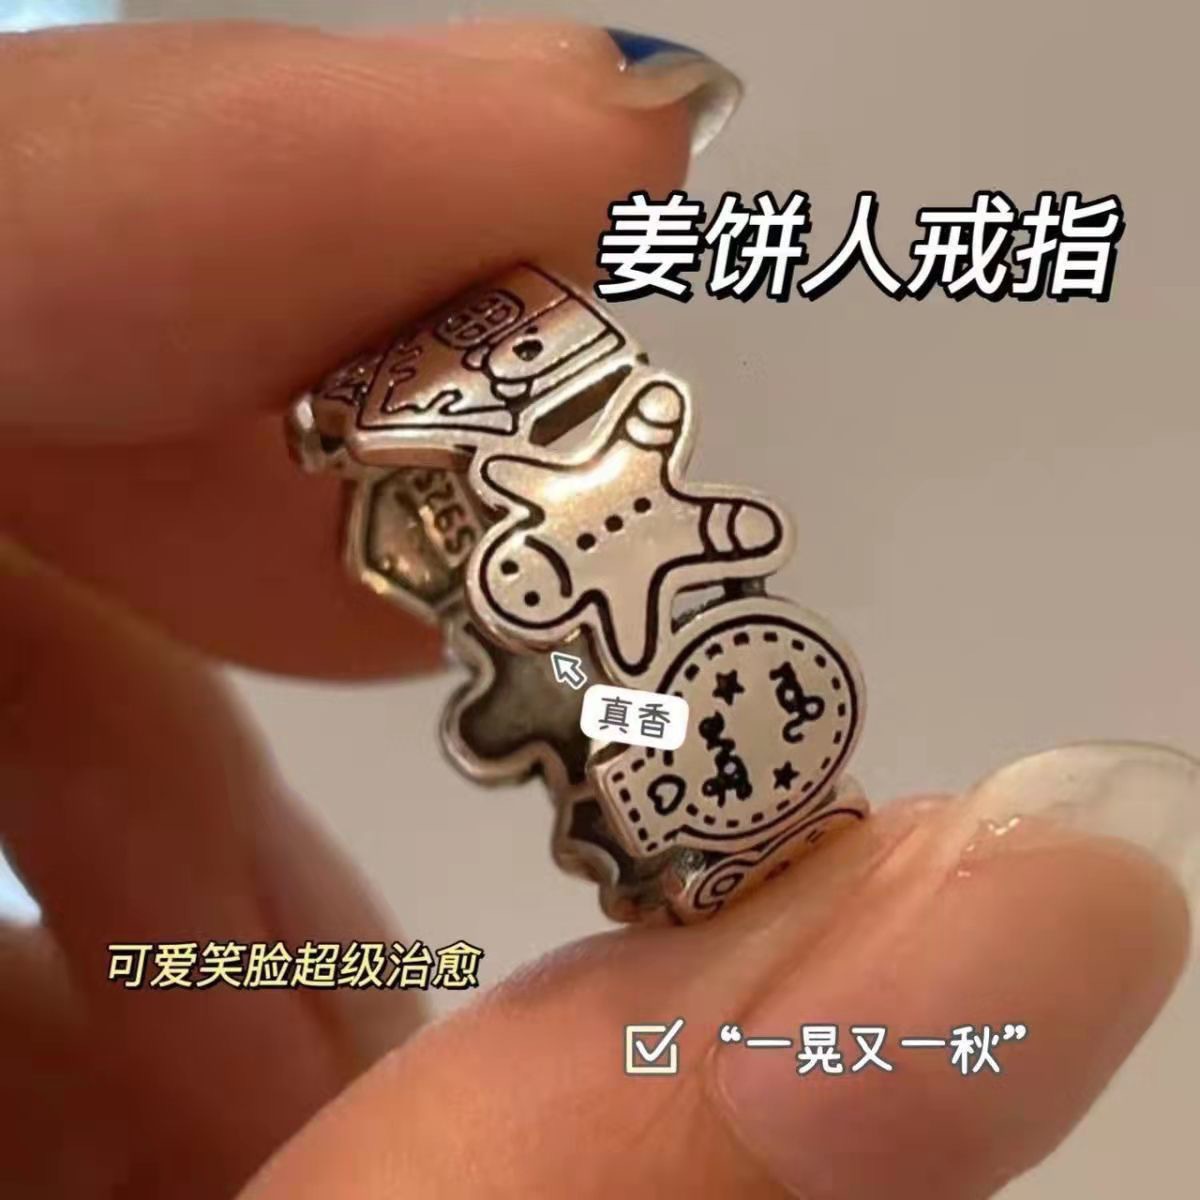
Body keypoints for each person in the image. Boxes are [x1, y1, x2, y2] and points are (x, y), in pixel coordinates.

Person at [0, 18, 1193, 1200]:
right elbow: (588, 680)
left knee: (612, 701)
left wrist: (601, 693)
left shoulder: (595, 560)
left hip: (677, 680)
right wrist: (593, 699)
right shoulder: (559, 636)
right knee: (607, 702)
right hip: (640, 696)